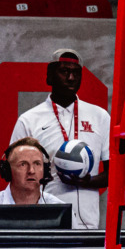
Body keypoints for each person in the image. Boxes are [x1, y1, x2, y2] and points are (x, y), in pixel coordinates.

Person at [8, 48, 110, 230]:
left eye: (76, 73)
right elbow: (13, 172)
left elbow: (113, 174)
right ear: (49, 76)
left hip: (88, 225)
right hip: (45, 223)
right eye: (64, 72)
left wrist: (87, 182)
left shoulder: (99, 117)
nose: (71, 78)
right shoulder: (30, 120)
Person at [0, 138, 63, 228]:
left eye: (37, 164)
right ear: (8, 171)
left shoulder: (61, 211)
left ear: (45, 170)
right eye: (23, 164)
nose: (31, 171)